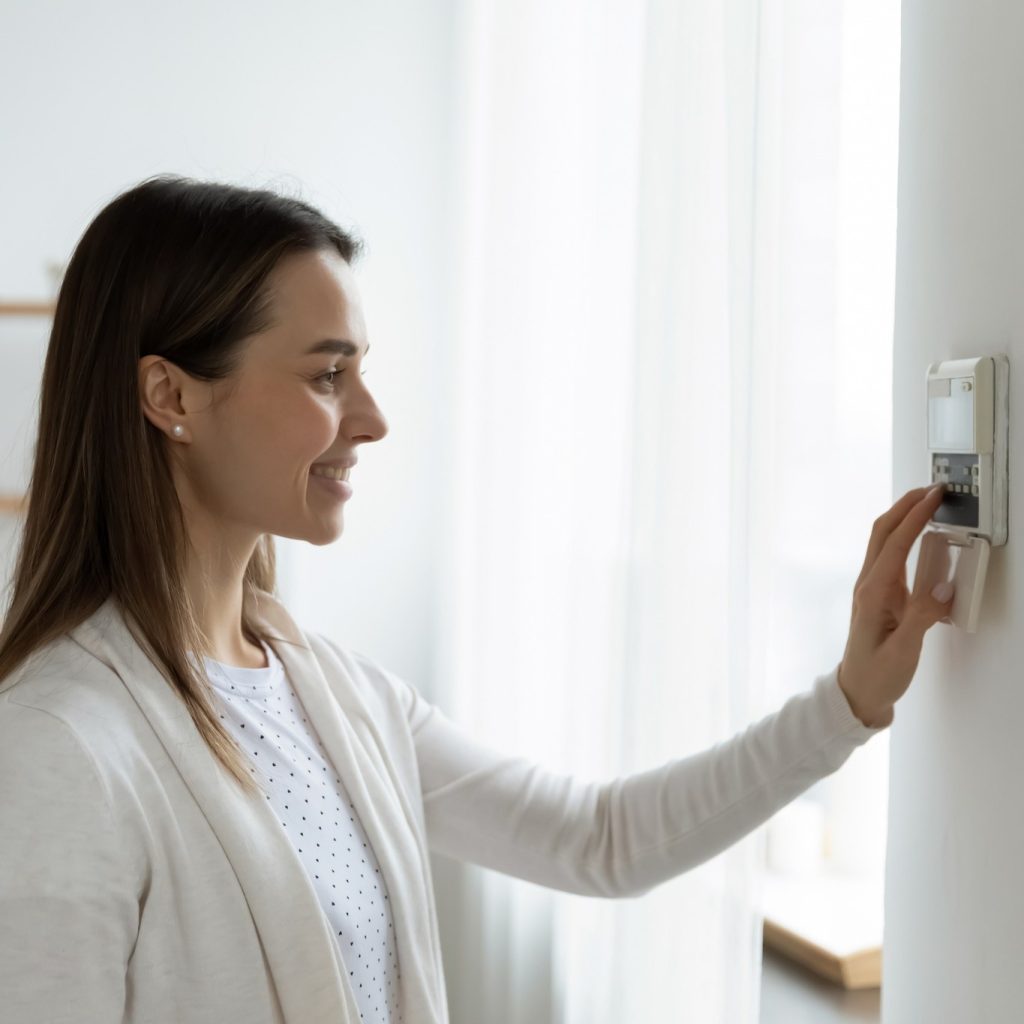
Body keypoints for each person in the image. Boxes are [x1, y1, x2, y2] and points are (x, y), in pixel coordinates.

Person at [0, 176, 955, 1024]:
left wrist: (848, 703)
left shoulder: (334, 696)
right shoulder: (60, 749)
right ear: (169, 396)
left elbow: (600, 839)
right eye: (328, 374)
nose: (372, 418)